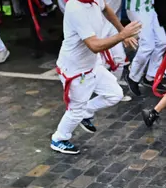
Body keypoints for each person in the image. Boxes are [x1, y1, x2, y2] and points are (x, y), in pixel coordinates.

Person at [48, 0, 140, 155]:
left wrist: (121, 30)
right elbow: (94, 45)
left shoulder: (95, 0)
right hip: (75, 70)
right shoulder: (75, 8)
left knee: (115, 94)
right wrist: (122, 35)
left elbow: (107, 9)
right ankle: (59, 139)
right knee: (75, 111)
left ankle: (86, 112)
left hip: (92, 64)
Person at [125, 0, 166, 96]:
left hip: (150, 7)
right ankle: (132, 77)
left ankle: (150, 77)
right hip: (137, 8)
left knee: (162, 42)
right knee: (147, 45)